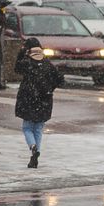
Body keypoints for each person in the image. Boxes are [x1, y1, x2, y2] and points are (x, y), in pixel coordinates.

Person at [13, 38, 64, 169]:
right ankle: (36, 153)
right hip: (44, 101)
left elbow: (16, 68)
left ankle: (33, 147)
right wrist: (49, 89)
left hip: (29, 99)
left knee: (27, 127)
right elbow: (60, 79)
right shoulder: (47, 64)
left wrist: (21, 53)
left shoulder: (27, 63)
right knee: (38, 129)